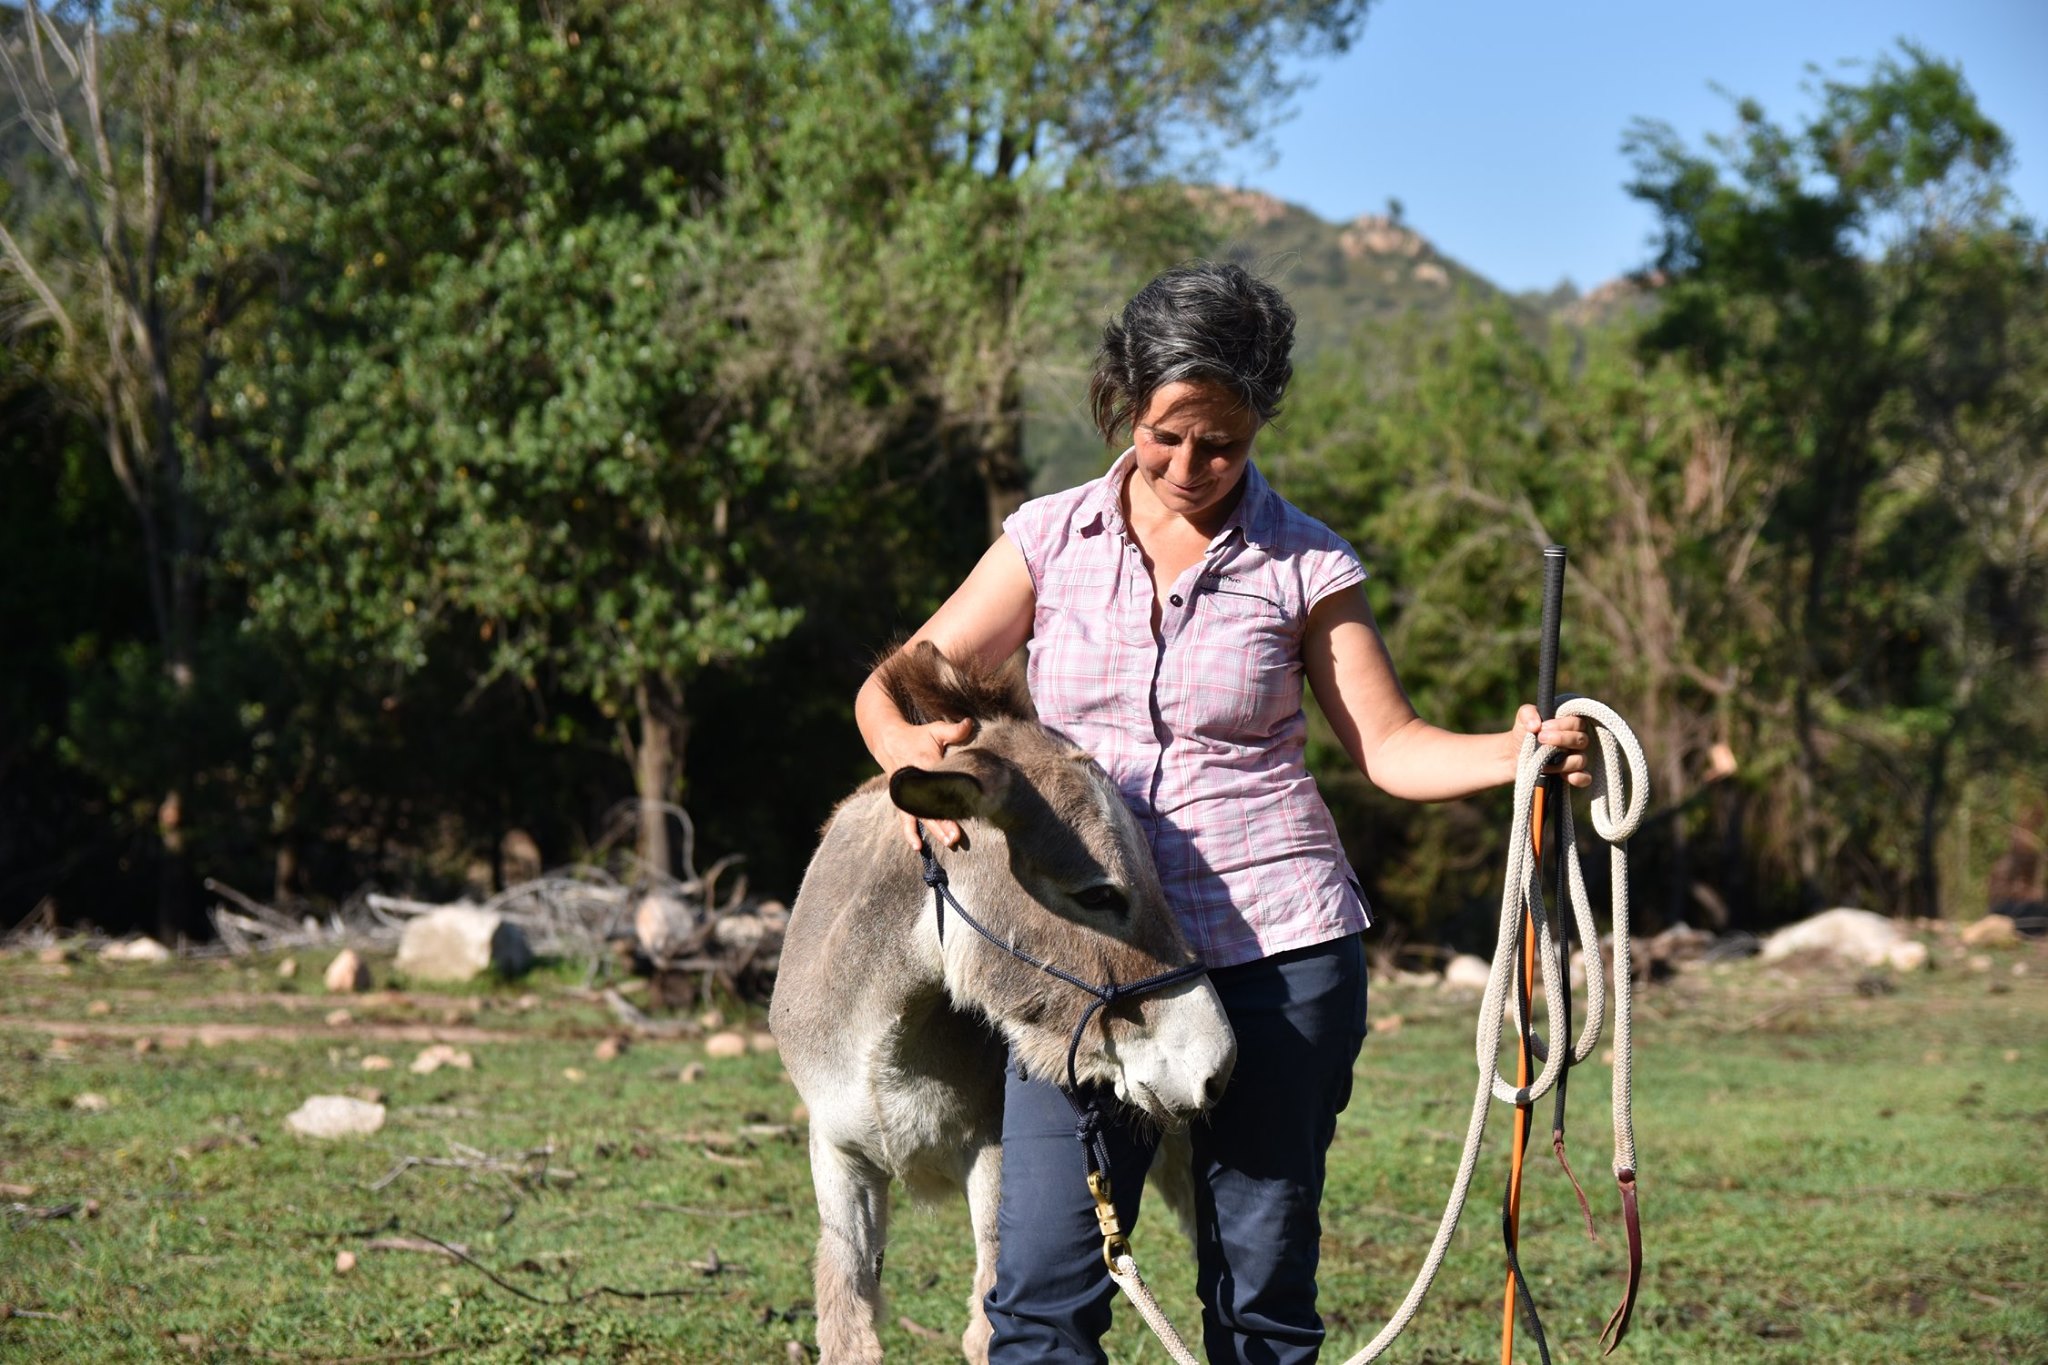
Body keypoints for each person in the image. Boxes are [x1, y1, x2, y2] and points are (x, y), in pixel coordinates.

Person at [854, 262, 1590, 1364]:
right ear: (1123, 403)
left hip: (1273, 951)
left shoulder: (1306, 564)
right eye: (1165, 437)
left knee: (1258, 1304)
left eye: (1223, 445)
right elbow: (905, 678)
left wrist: (1516, 753)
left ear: (1258, 427)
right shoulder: (1049, 538)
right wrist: (904, 753)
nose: (1190, 468)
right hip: (1083, 963)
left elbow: (1387, 748)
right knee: (1039, 1301)